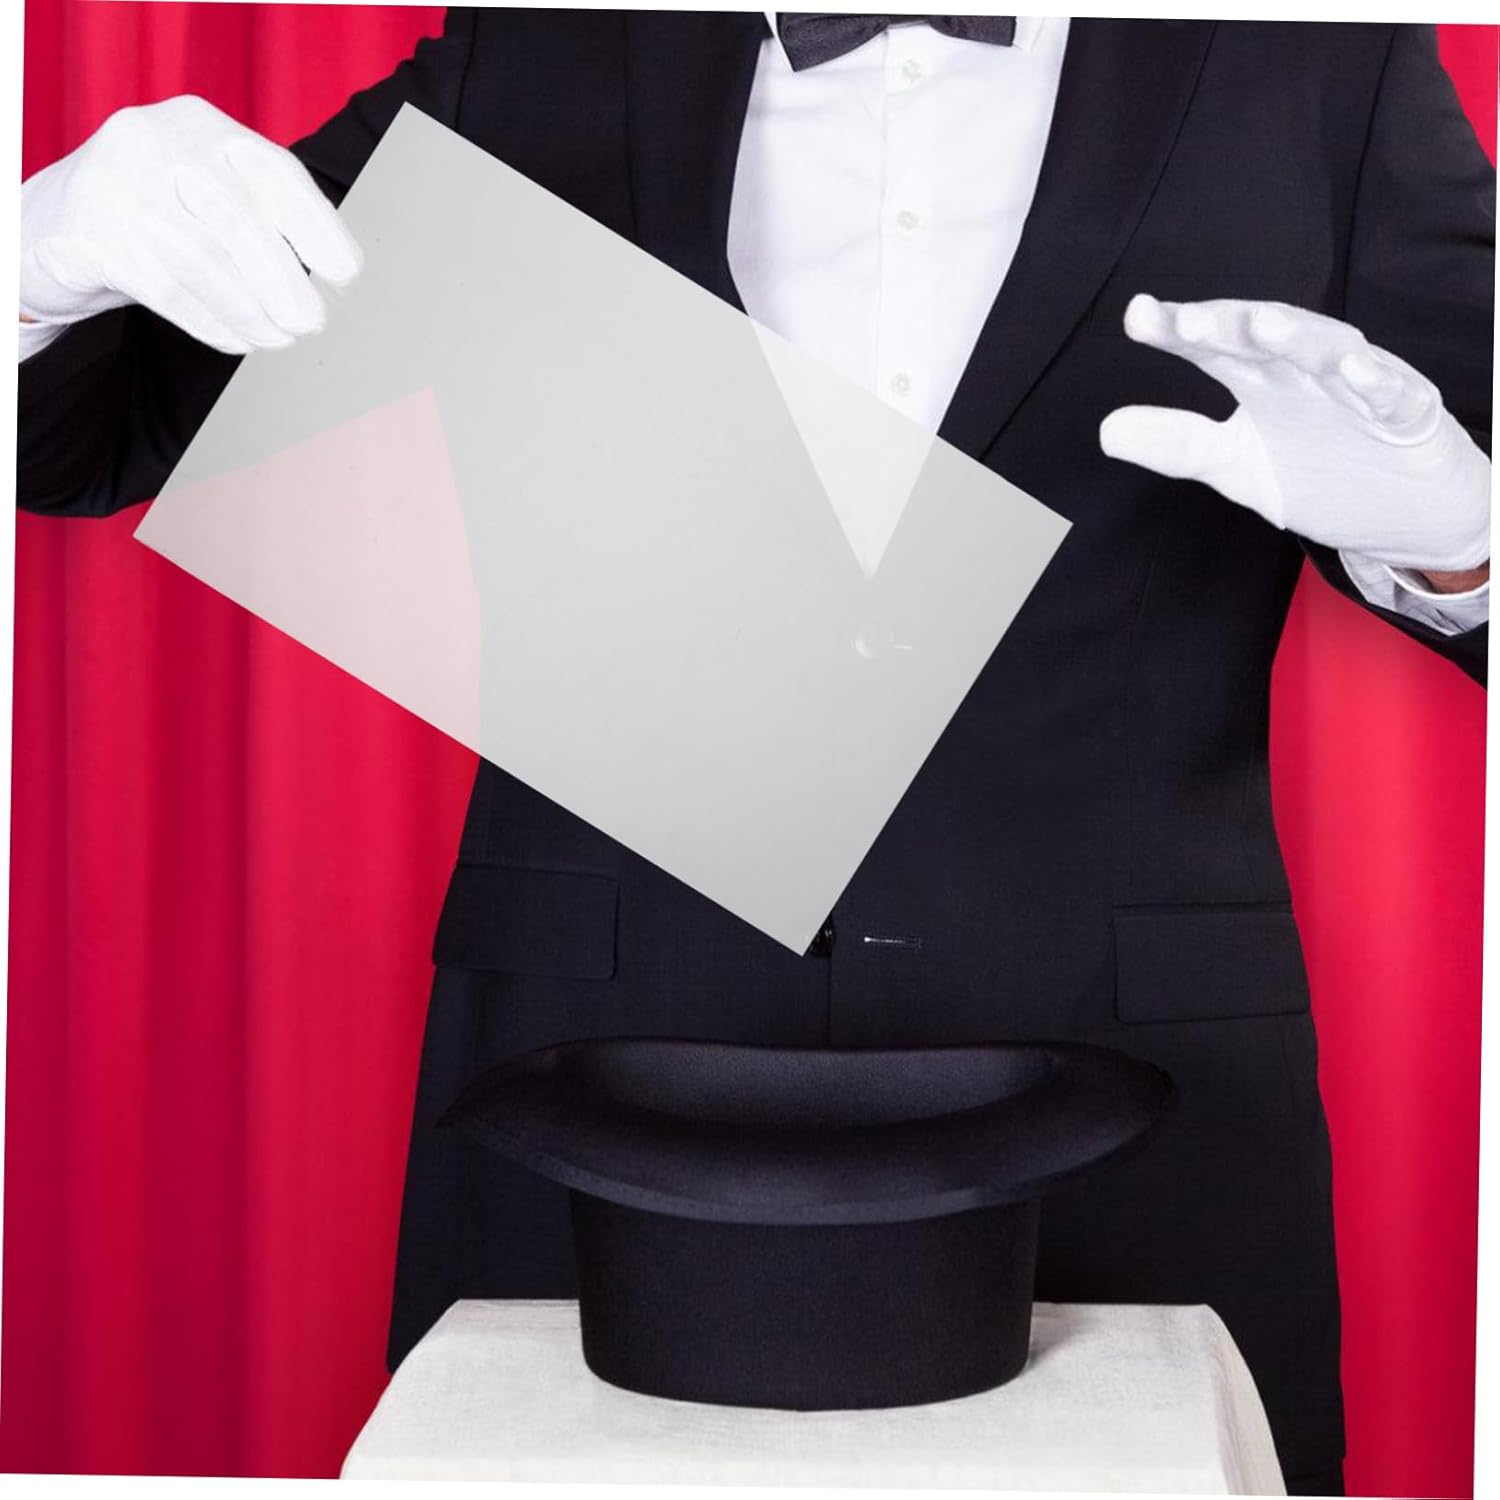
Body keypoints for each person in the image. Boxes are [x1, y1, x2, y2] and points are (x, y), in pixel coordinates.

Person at [16, 13, 1493, 1495]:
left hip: (1136, 1096)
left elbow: (1467, 479)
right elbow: (85, 431)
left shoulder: (1326, 67)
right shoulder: (536, 52)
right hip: (594, 1097)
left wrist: (1462, 542)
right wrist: (39, 256)